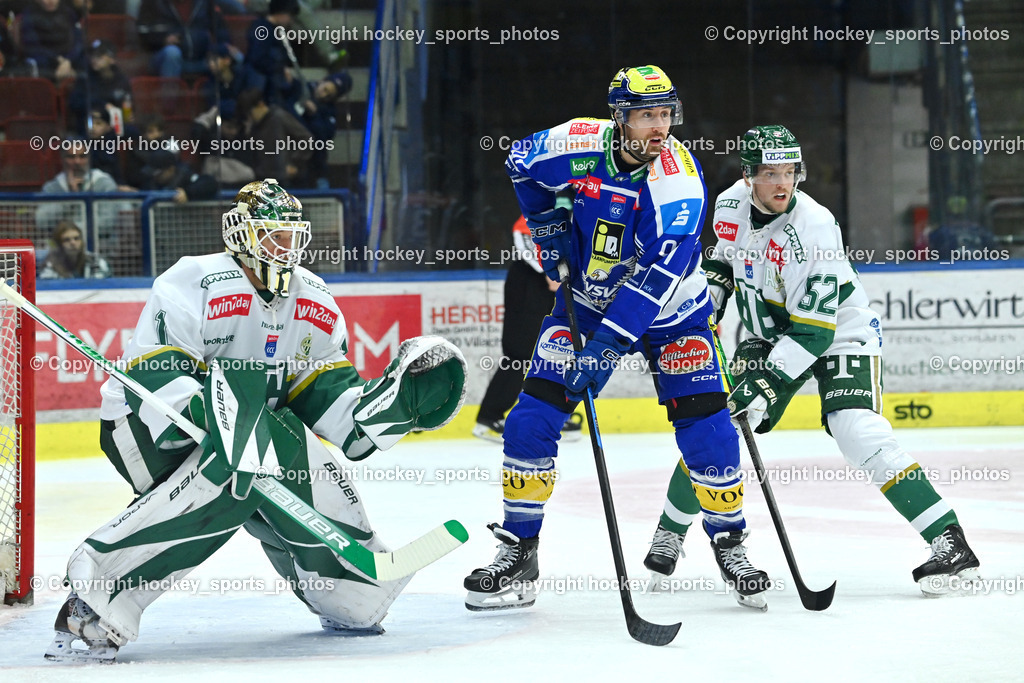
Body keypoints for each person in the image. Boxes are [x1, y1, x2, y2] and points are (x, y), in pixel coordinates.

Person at [44, 179, 467, 663]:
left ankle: (352, 594)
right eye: (273, 235)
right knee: (238, 460)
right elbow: (157, 376)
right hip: (142, 427)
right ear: (240, 234)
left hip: (250, 433)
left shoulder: (316, 303)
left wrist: (388, 410)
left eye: (292, 236)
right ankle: (96, 597)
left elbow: (329, 402)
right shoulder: (195, 281)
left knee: (281, 447)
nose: (285, 248)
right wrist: (225, 421)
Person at [463, 66, 771, 612]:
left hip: (672, 312)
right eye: (647, 115)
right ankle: (519, 552)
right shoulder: (576, 142)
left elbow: (656, 280)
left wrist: (604, 347)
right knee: (532, 417)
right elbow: (520, 163)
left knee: (705, 422)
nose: (660, 127)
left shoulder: (677, 182)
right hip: (584, 299)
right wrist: (551, 228)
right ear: (620, 117)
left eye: (666, 114)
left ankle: (730, 542)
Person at [671, 124, 979, 595]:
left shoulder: (815, 228)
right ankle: (669, 536)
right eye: (770, 172)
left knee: (856, 428)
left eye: (790, 172)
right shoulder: (730, 204)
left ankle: (951, 545)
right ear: (749, 175)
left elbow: (815, 333)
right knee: (723, 423)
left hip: (838, 332)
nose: (782, 183)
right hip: (769, 330)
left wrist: (767, 384)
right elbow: (724, 261)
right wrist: (709, 298)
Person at [473, 204, 582, 444]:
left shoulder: (594, 195)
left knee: (556, 349)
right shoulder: (554, 194)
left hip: (558, 281)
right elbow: (522, 232)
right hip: (531, 282)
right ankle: (490, 417)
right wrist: (547, 270)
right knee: (519, 352)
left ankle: (553, 415)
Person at [38, 220, 111, 279]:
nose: (73, 243)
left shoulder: (96, 261)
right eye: (66, 240)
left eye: (76, 238)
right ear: (59, 244)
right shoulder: (50, 265)